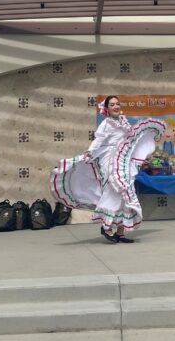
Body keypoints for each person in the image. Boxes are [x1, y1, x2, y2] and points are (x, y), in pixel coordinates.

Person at [50, 96, 166, 244]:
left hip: (123, 159)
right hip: (109, 159)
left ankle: (121, 232)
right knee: (114, 191)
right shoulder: (107, 123)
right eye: (112, 105)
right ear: (107, 108)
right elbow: (99, 139)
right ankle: (106, 227)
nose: (116, 106)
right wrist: (90, 151)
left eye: (117, 104)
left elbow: (128, 140)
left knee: (126, 192)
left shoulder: (123, 121)